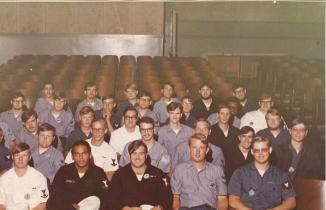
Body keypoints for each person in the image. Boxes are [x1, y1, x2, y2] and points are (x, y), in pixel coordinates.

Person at [228, 137, 296, 210]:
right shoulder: (240, 173)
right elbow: (233, 200)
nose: (260, 153)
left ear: (270, 150)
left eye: (264, 150)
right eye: (257, 150)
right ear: (252, 152)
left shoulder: (282, 175)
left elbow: (291, 201)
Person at [109, 140, 172, 210]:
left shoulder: (158, 174)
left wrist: (160, 207)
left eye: (141, 153)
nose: (137, 157)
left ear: (146, 155)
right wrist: (125, 208)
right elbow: (112, 199)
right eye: (134, 153)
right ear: (129, 155)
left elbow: (167, 197)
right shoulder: (119, 175)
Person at [171, 133, 228, 210]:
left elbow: (222, 199)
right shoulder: (179, 170)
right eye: (194, 147)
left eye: (201, 148)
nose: (197, 152)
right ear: (189, 149)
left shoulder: (217, 171)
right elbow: (176, 198)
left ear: (207, 150)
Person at [47, 141, 109, 210]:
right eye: (77, 154)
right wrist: (68, 205)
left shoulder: (98, 172)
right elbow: (54, 195)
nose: (81, 157)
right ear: (72, 156)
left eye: (84, 153)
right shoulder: (63, 171)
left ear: (89, 155)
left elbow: (105, 198)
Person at [0, 143, 49, 210]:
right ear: (12, 157)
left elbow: (42, 204)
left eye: (24, 155)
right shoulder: (4, 178)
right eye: (17, 155)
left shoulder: (39, 178)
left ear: (29, 157)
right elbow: (1, 204)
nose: (20, 159)